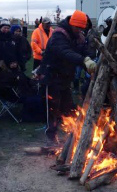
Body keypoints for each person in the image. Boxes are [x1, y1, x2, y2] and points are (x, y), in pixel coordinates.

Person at [37, 10, 97, 144]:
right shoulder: (59, 35)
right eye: (78, 28)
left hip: (64, 78)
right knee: (53, 109)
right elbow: (65, 52)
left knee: (68, 108)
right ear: (72, 24)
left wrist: (91, 56)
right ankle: (51, 137)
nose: (80, 31)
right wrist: (84, 60)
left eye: (82, 28)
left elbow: (84, 49)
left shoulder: (77, 36)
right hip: (51, 77)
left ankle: (71, 136)